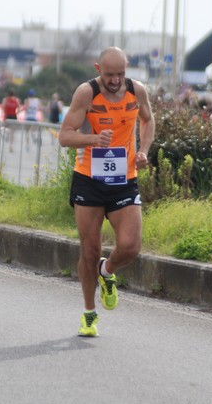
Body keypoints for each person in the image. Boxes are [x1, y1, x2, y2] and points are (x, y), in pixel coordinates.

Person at [58, 47, 155, 337]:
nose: (114, 80)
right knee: (90, 251)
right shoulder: (85, 93)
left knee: (130, 247)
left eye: (120, 74)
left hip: (124, 178)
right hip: (89, 179)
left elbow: (148, 120)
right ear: (98, 67)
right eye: (109, 74)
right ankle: (89, 314)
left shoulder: (137, 91)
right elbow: (64, 136)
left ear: (127, 69)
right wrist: (92, 139)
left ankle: (107, 271)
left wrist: (143, 151)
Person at [2, 88, 21, 152]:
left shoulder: (5, 100)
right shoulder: (16, 100)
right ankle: (11, 145)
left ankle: (7, 136)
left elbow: (3, 107)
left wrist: (5, 113)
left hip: (7, 116)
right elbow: (19, 109)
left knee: (6, 129)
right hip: (13, 116)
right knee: (12, 132)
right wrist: (16, 113)